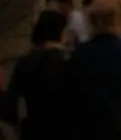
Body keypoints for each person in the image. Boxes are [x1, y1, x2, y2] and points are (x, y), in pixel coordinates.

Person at [63, 4, 121, 139]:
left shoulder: (79, 55)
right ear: (118, 24)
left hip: (89, 128)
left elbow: (69, 91)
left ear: (92, 24)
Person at [0, 9, 70, 139]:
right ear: (60, 33)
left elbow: (11, 105)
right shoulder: (66, 62)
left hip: (33, 130)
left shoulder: (26, 62)